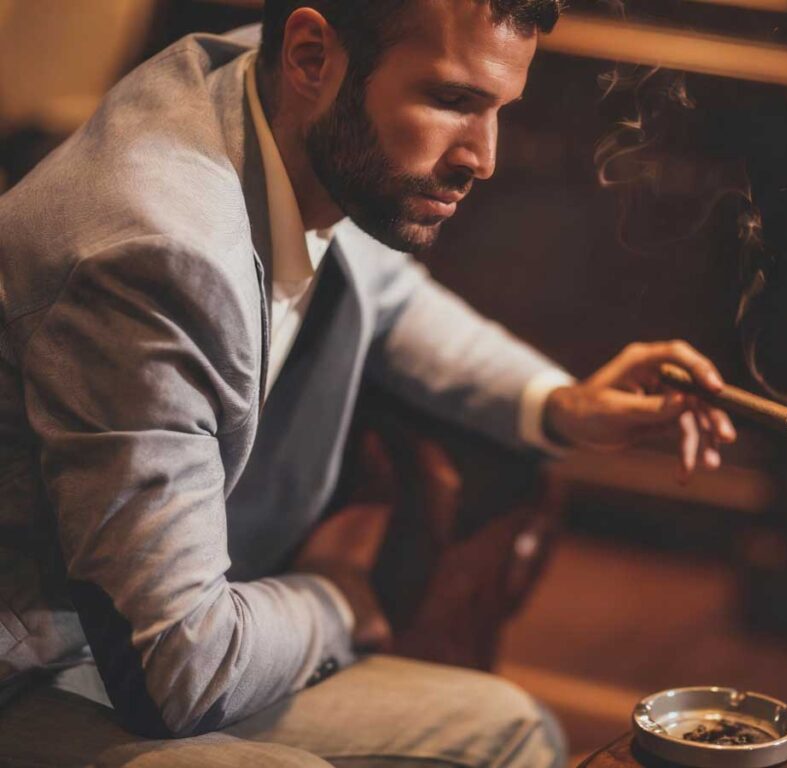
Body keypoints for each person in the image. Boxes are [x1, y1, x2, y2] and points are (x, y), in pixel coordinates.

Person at [0, 1, 736, 765]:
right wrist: (337, 599)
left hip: (130, 646)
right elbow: (183, 672)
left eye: (498, 108)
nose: (483, 157)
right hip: (31, 673)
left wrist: (563, 404)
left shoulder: (292, 99)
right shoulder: (157, 256)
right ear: (310, 56)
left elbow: (388, 293)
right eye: (451, 100)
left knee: (508, 728)